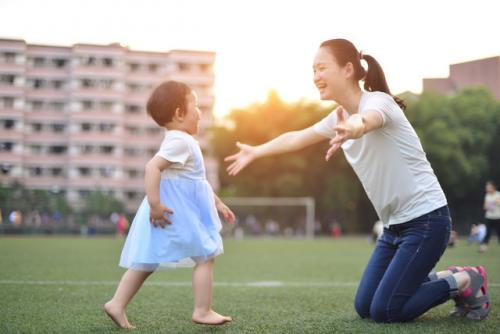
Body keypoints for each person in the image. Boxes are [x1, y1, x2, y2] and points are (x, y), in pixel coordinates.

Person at [225, 38, 489, 322]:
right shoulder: (337, 117)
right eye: (313, 70)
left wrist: (353, 129)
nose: (316, 76)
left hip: (427, 221)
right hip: (393, 228)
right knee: (365, 307)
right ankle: (444, 277)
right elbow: (296, 138)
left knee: (386, 310)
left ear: (348, 69)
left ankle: (465, 280)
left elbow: (366, 120)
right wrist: (256, 151)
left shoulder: (378, 103)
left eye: (322, 68)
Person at [104, 81, 236, 329]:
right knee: (206, 255)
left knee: (146, 261)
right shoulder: (181, 142)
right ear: (179, 113)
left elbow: (197, 182)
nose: (199, 112)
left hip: (173, 208)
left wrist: (217, 203)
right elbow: (152, 167)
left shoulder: (181, 140)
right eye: (195, 105)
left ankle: (116, 303)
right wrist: (155, 204)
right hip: (174, 210)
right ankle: (202, 310)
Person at [479, 180, 500, 252]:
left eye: (488, 187)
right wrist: (491, 204)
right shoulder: (487, 195)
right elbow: (485, 206)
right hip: (489, 217)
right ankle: (484, 247)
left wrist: (491, 203)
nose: (487, 188)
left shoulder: (498, 194)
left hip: (497, 217)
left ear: (493, 187)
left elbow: (498, 202)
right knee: (488, 233)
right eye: (487, 187)